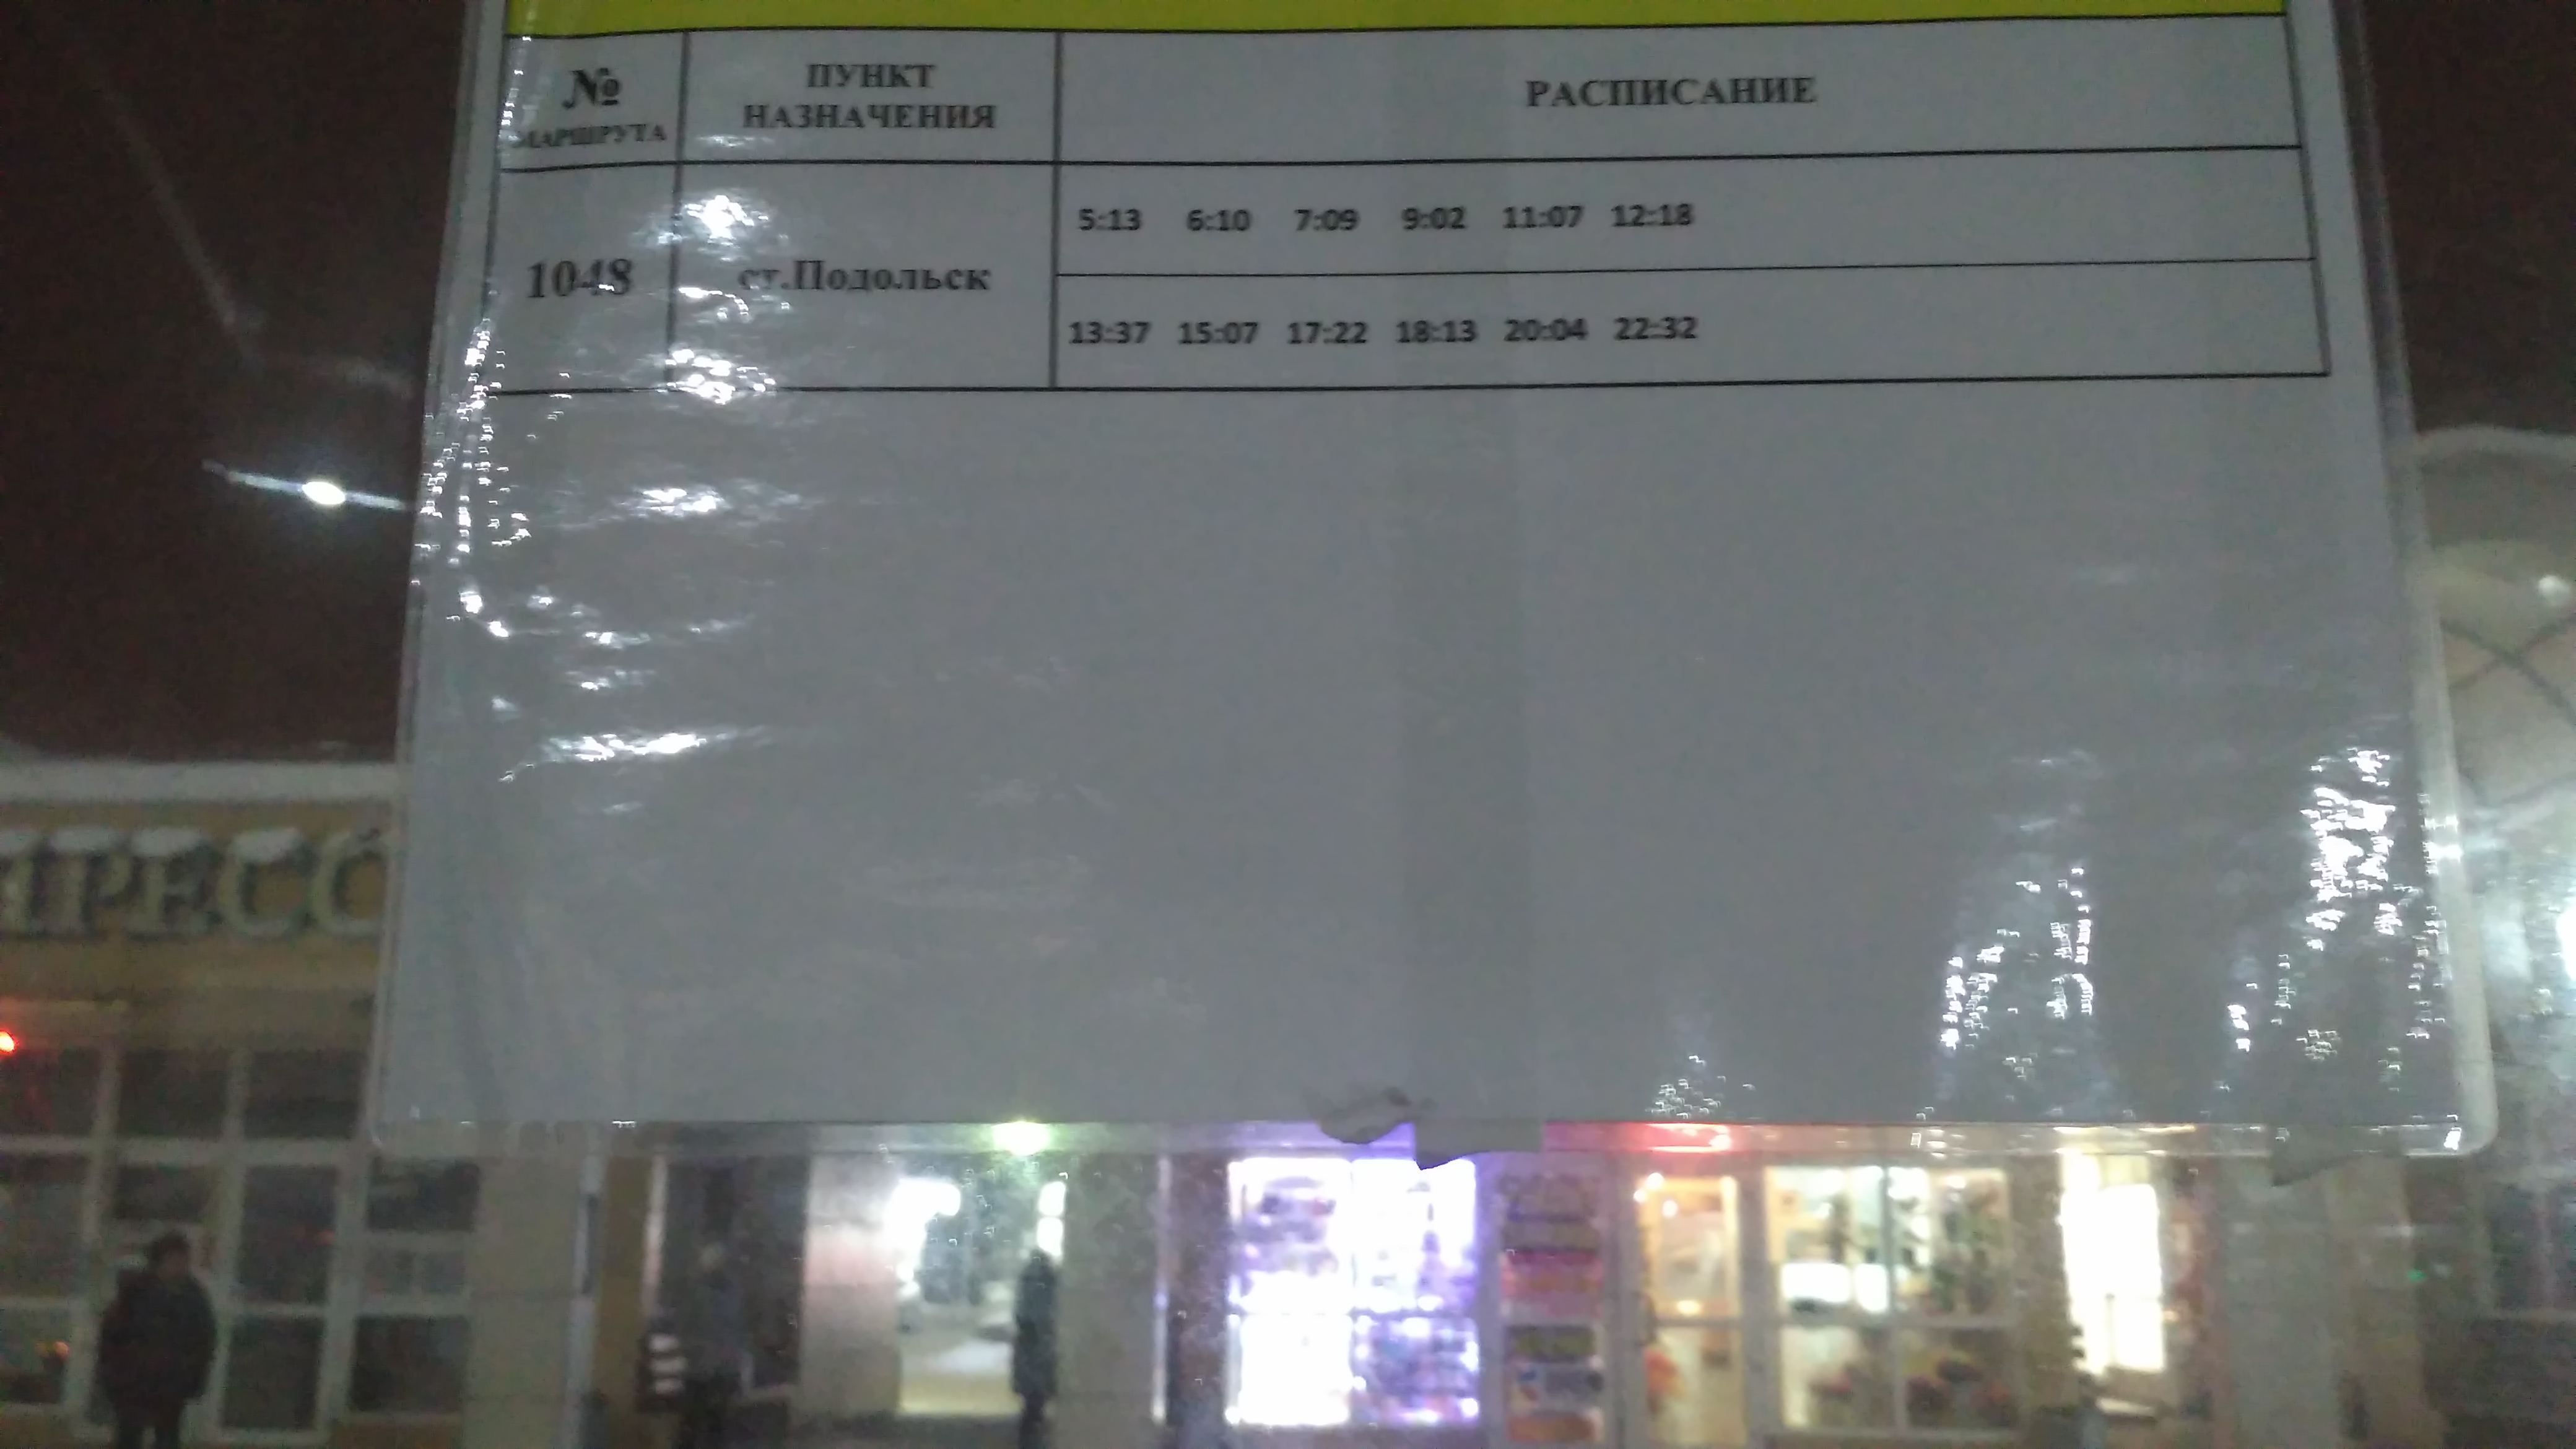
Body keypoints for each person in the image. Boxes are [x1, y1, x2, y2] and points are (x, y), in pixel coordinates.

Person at [96, 1232, 216, 1449]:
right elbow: (112, 1338)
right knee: (129, 1437)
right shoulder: (134, 1293)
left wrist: (195, 1379)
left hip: (172, 1384)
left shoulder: (194, 1298)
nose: (180, 1266)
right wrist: (113, 1376)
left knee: (167, 1438)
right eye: (174, 1260)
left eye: (183, 1260)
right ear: (158, 1261)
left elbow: (204, 1341)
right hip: (134, 1382)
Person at [672, 1243, 747, 1449]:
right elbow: (736, 1331)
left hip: (707, 1368)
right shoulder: (730, 1295)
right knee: (710, 1423)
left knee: (699, 1422)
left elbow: (684, 1327)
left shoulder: (699, 1293)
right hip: (711, 1368)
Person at [1011, 1250, 1060, 1449]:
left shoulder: (1028, 1284)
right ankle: (1032, 1443)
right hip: (1038, 1358)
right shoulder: (1047, 1284)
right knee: (1035, 1408)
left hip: (1030, 1359)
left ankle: (1029, 1442)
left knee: (1032, 1408)